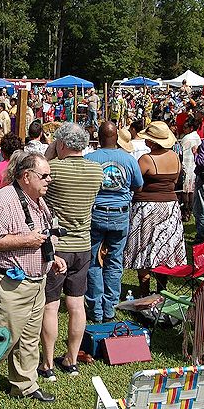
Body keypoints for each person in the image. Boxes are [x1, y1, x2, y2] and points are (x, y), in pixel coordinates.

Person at [0, 152, 67, 402]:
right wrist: (26, 240)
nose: (49, 180)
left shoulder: (37, 199)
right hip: (8, 283)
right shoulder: (3, 201)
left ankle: (25, 385)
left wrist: (52, 257)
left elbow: (42, 235)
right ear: (26, 176)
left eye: (50, 176)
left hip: (35, 282)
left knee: (28, 339)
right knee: (4, 338)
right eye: (44, 176)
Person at [39, 123, 103, 379]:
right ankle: (71, 359)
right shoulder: (96, 171)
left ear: (62, 144)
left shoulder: (53, 168)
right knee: (77, 305)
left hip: (57, 247)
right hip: (83, 245)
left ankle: (47, 363)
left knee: (51, 306)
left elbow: (36, 172)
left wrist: (49, 153)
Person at [84, 121, 143, 322]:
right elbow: (138, 185)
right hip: (119, 213)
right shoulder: (128, 159)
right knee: (114, 262)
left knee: (93, 261)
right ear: (116, 138)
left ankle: (95, 308)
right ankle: (109, 308)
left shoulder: (90, 159)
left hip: (97, 213)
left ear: (99, 138)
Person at [125, 121, 186, 296]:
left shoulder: (146, 159)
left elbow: (134, 183)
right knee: (164, 248)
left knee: (144, 249)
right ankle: (162, 290)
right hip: (170, 207)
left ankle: (144, 292)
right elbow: (175, 181)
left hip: (147, 207)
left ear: (152, 141)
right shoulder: (175, 157)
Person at [178, 118, 201, 222]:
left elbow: (180, 152)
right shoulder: (198, 137)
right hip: (194, 165)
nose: (184, 129)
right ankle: (189, 212)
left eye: (185, 127)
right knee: (191, 190)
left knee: (185, 190)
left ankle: (186, 212)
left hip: (187, 165)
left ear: (191, 128)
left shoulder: (187, 138)